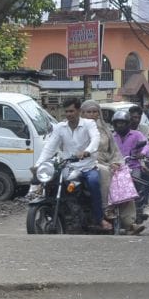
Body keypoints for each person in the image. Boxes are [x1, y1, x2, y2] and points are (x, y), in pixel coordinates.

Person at [35, 99, 105, 230]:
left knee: (94, 183)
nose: (69, 114)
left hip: (87, 167)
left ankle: (99, 218)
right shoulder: (60, 127)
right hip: (68, 167)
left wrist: (87, 151)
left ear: (78, 111)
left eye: (72, 111)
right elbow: (49, 147)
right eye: (66, 111)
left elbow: (95, 139)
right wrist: (38, 164)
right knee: (51, 183)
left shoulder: (89, 124)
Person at [94, 110, 144, 234]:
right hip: (90, 163)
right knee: (104, 171)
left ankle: (129, 222)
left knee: (124, 177)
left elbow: (115, 152)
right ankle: (107, 208)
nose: (91, 115)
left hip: (109, 162)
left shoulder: (106, 132)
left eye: (94, 112)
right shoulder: (78, 129)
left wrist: (117, 163)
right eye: (87, 112)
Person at [111, 109, 149, 217]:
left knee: (136, 181)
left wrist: (142, 153)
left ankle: (140, 206)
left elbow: (146, 145)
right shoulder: (112, 137)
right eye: (118, 123)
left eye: (122, 123)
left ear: (128, 123)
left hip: (133, 166)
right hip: (117, 168)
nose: (120, 126)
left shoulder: (137, 134)